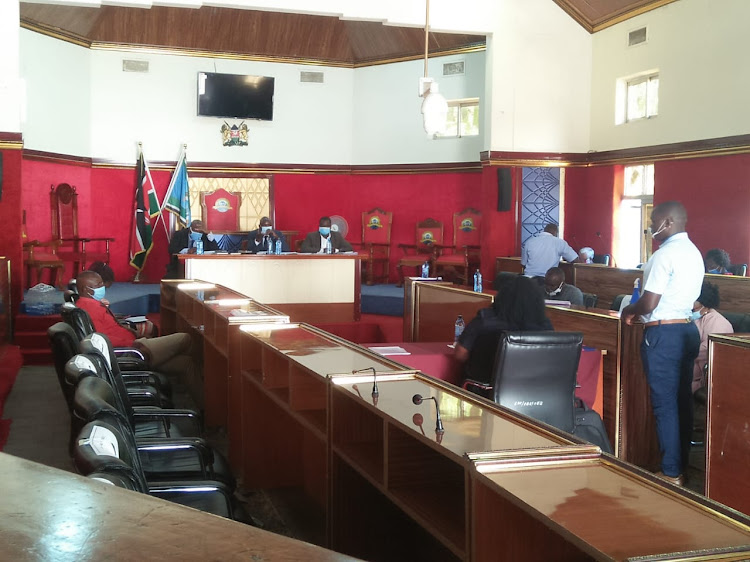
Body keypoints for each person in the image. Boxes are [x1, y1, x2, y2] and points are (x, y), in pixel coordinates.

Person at [621, 201, 704, 486]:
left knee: (664, 405)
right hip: (687, 330)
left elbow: (649, 302)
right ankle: (682, 467)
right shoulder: (694, 253)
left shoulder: (663, 255)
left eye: (653, 222)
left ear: (667, 222)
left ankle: (670, 473)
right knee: (682, 401)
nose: (651, 229)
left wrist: (629, 311)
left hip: (664, 334)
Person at [75, 270, 194, 381]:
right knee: (185, 338)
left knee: (186, 363)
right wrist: (131, 343)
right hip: (131, 351)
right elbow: (100, 339)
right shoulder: (89, 309)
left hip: (131, 347)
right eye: (98, 285)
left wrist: (131, 333)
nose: (103, 287)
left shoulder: (90, 304)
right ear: (87, 290)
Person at [455, 275, 552, 382]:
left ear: (501, 296)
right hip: (533, 389)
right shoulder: (545, 327)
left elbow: (460, 355)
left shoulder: (484, 321)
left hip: (485, 388)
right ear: (538, 301)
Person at [88, 261, 155, 337]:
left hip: (115, 328)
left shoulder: (96, 301)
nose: (103, 291)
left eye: (105, 289)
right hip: (114, 335)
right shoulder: (93, 306)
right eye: (102, 287)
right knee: (150, 328)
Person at [691, 281, 733, 393]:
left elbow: (708, 350)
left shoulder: (717, 322)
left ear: (703, 302)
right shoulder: (694, 317)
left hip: (703, 375)